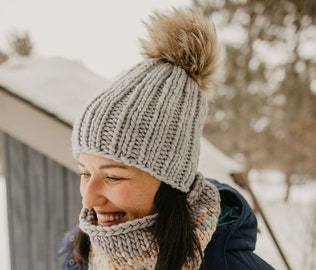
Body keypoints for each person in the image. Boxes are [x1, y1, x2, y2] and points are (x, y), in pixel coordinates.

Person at [59, 8, 275, 270]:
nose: (88, 200)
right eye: (84, 173)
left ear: (171, 182)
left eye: (113, 176)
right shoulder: (77, 254)